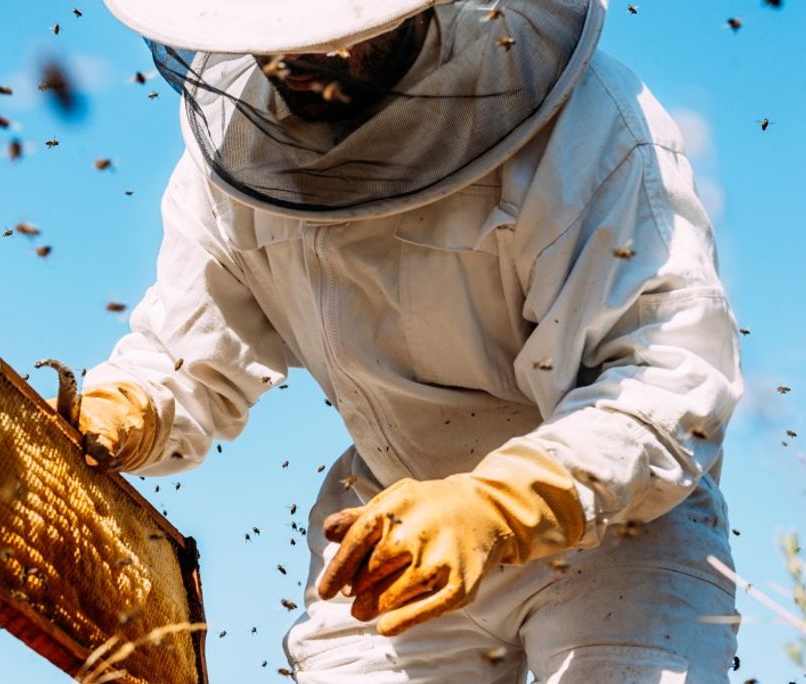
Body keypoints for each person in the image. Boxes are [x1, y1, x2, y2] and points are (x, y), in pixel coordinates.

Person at [74, 0, 744, 680]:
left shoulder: (590, 127)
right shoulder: (234, 151)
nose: (293, 57)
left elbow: (665, 374)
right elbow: (188, 357)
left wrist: (501, 504)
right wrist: (129, 407)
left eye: (328, 33)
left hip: (610, 533)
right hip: (390, 533)